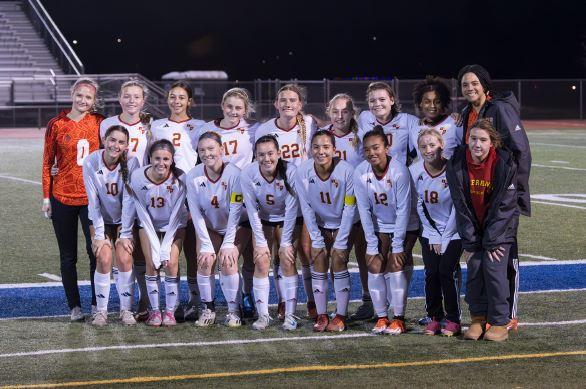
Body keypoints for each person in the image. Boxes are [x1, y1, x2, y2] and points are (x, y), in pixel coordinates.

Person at [457, 64, 531, 330]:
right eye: (465, 84)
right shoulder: (467, 112)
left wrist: (516, 193)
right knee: (486, 256)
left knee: (503, 253)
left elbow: (520, 152)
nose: (470, 88)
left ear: (485, 84)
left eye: (474, 83)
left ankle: (508, 315)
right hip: (479, 192)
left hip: (503, 194)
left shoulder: (499, 108)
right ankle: (487, 314)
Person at [446, 119, 518, 342]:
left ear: (492, 143)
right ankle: (477, 318)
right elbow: (461, 205)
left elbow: (505, 206)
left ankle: (499, 322)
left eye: (483, 140)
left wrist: (491, 241)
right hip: (473, 228)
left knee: (495, 269)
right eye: (473, 138)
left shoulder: (505, 163)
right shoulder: (457, 162)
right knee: (475, 266)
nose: (477, 144)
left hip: (499, 229)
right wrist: (471, 241)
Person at [42, 77, 104, 321]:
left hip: (91, 198)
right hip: (62, 197)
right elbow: (47, 162)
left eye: (88, 97)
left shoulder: (100, 122)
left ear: (93, 100)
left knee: (95, 252)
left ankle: (95, 304)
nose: (83, 100)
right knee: (68, 256)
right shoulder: (56, 124)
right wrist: (46, 197)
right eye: (79, 95)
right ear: (72, 94)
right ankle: (74, 307)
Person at [255, 84, 318, 319]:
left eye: (293, 100)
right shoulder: (265, 128)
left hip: (305, 197)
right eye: (283, 100)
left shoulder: (309, 124)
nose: (288, 104)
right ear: (276, 104)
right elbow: (260, 161)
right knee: (283, 253)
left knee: (305, 250)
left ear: (300, 105)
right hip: (279, 198)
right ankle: (283, 301)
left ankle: (313, 301)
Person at [195, 87, 258, 318]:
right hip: (213, 198)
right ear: (222, 106)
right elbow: (197, 159)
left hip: (242, 201)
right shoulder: (207, 129)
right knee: (207, 257)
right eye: (229, 106)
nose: (233, 111)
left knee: (247, 258)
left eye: (238, 107)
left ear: (245, 110)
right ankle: (206, 306)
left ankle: (246, 296)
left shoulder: (253, 130)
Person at [353, 126, 418, 335]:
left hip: (406, 224)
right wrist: (372, 244)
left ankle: (398, 318)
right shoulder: (360, 172)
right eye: (367, 149)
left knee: (395, 263)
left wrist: (397, 244)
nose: (372, 153)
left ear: (386, 148)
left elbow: (403, 210)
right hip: (380, 224)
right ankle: (381, 317)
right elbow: (363, 210)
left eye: (376, 148)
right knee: (374, 264)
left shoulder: (399, 171)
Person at [151, 81, 205, 321]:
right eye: (173, 97)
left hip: (193, 194)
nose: (177, 101)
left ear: (189, 101)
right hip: (166, 196)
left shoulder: (200, 126)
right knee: (169, 251)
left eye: (182, 97)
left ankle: (195, 300)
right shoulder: (156, 126)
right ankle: (168, 301)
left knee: (193, 251)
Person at [99, 79, 152, 321]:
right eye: (127, 96)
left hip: (141, 196)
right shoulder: (108, 124)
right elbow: (97, 157)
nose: (132, 100)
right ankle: (105, 305)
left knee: (139, 252)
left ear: (144, 100)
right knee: (108, 253)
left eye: (137, 96)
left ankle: (143, 301)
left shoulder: (151, 125)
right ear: (119, 98)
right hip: (111, 195)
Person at [185, 131, 249, 328]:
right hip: (211, 225)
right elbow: (195, 213)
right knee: (204, 261)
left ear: (221, 149)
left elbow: (237, 211)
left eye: (211, 148)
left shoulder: (235, 174)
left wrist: (229, 243)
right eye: (202, 150)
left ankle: (233, 311)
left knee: (228, 261)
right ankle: (208, 308)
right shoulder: (193, 175)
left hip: (238, 225)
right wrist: (205, 244)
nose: (207, 153)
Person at [296, 130, 357, 332]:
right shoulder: (303, 172)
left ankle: (340, 315)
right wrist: (316, 238)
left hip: (344, 222)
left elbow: (350, 207)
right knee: (318, 258)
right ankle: (322, 315)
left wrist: (341, 239)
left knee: (339, 260)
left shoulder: (347, 171)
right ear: (310, 149)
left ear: (334, 149)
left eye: (325, 147)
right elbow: (306, 207)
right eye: (316, 147)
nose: (321, 151)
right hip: (320, 224)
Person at [125, 139, 188, 327]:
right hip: (148, 223)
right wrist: (156, 249)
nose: (161, 163)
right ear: (150, 158)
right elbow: (141, 213)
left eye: (166, 159)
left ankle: (169, 311)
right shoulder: (137, 177)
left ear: (172, 160)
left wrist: (165, 248)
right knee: (152, 263)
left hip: (174, 225)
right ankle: (154, 311)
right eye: (157, 158)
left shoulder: (180, 179)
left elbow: (177, 215)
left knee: (171, 263)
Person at [241, 135, 301, 330]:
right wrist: (259, 242)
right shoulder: (248, 173)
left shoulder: (291, 171)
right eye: (261, 155)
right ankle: (263, 315)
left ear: (278, 154)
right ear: (255, 156)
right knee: (261, 260)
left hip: (287, 218)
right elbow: (251, 209)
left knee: (286, 258)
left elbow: (292, 208)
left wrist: (285, 243)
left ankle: (290, 315)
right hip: (263, 218)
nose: (266, 159)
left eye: (270, 154)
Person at [83, 125, 140, 326]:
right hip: (100, 220)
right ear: (104, 140)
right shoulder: (91, 161)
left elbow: (129, 201)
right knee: (104, 258)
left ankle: (126, 310)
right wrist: (99, 234)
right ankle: (101, 312)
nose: (116, 145)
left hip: (123, 220)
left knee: (124, 258)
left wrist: (125, 233)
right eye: (112, 140)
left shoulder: (132, 162)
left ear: (126, 146)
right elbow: (93, 201)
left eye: (121, 142)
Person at [323, 94, 372, 321]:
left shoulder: (362, 135)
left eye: (345, 111)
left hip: (360, 204)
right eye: (335, 111)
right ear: (328, 112)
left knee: (363, 253)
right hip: (332, 206)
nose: (340, 116)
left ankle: (368, 300)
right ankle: (339, 304)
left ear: (352, 113)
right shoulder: (321, 135)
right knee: (337, 255)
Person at [410, 129, 462, 336]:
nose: (428, 150)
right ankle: (434, 317)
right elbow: (419, 205)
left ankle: (453, 319)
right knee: (431, 273)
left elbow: (458, 207)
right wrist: (432, 234)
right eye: (423, 146)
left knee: (446, 272)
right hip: (429, 232)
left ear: (441, 145)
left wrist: (445, 236)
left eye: (432, 145)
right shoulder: (414, 171)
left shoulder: (453, 169)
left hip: (454, 232)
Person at [411, 76, 462, 160]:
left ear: (443, 103)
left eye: (437, 102)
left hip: (450, 173)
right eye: (427, 102)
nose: (432, 106)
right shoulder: (415, 128)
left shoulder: (455, 124)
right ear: (420, 104)